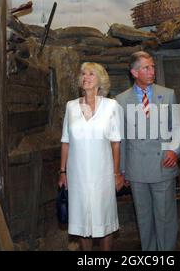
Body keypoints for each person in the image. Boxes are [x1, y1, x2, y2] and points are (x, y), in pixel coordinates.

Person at [116, 51, 180, 251]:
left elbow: (176, 127)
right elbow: (121, 138)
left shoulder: (168, 93)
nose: (152, 71)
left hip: (163, 163)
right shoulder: (120, 100)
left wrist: (173, 151)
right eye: (146, 67)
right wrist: (122, 170)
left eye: (152, 67)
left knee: (165, 217)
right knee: (144, 218)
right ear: (134, 72)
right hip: (136, 169)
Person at [58, 62, 124, 251]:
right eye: (83, 74)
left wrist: (116, 173)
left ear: (100, 80)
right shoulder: (71, 106)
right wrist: (62, 172)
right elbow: (65, 141)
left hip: (102, 173)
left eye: (91, 74)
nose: (86, 77)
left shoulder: (111, 106)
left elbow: (116, 142)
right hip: (76, 174)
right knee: (81, 221)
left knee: (105, 219)